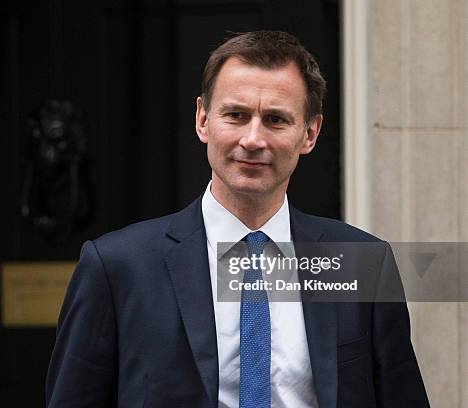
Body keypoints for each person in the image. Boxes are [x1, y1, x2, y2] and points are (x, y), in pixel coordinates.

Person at [45, 30, 429, 407]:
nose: (253, 139)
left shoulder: (361, 263)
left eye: (276, 120)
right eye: (236, 115)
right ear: (203, 120)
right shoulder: (117, 266)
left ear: (310, 133)